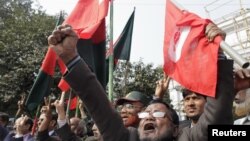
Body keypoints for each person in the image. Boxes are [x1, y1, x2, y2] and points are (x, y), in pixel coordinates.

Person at [46, 23, 238, 141]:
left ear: (175, 129)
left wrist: (216, 54)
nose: (148, 117)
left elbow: (217, 120)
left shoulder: (190, 137)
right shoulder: (126, 138)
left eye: (158, 113)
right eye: (146, 113)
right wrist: (70, 57)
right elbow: (97, 103)